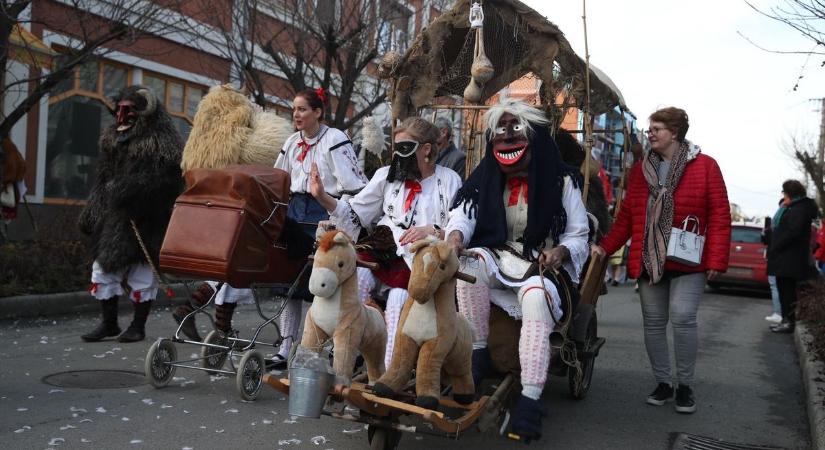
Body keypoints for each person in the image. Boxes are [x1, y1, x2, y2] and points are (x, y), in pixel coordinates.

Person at [446, 99, 589, 440]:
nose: (508, 140)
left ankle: (530, 398)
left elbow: (579, 232)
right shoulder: (485, 178)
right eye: (501, 133)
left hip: (539, 265)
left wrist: (562, 251)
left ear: (534, 139)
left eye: (516, 131)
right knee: (470, 259)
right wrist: (454, 236)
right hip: (497, 257)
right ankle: (478, 353)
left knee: (538, 299)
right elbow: (463, 214)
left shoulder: (562, 182)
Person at [592, 106, 730, 414]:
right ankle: (664, 382)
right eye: (649, 128)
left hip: (688, 260)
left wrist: (717, 261)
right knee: (653, 324)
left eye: (657, 129)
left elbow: (719, 214)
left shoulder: (706, 166)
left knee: (682, 318)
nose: (650, 133)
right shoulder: (641, 169)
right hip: (649, 259)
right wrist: (605, 246)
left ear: (675, 133)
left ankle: (685, 386)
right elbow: (629, 215)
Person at [309, 116, 462, 369]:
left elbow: (459, 226)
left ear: (426, 150)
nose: (397, 156)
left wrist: (433, 230)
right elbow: (356, 211)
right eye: (396, 148)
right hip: (384, 247)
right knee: (355, 283)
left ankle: (390, 368)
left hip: (420, 259)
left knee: (399, 299)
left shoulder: (449, 181)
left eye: (404, 148)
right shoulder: (386, 176)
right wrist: (322, 197)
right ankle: (348, 354)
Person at [270, 87, 369, 368]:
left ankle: (318, 350)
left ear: (317, 112)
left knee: (321, 288)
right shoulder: (291, 142)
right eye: (294, 109)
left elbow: (354, 186)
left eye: (302, 109)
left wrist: (338, 215)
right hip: (293, 214)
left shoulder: (335, 139)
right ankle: (284, 348)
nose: (296, 114)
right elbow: (279, 179)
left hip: (324, 213)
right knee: (289, 286)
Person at [78, 86, 183, 343]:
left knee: (142, 273)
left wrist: (131, 191)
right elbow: (103, 180)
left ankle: (138, 325)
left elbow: (166, 183)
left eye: (130, 110)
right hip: (114, 220)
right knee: (102, 269)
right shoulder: (113, 141)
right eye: (120, 110)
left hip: (147, 219)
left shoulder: (162, 144)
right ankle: (109, 323)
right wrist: (93, 211)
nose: (122, 117)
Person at [765, 179, 819, 333]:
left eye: (784, 192)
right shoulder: (793, 208)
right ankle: (785, 320)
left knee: (787, 292)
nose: (783, 195)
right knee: (783, 289)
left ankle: (788, 322)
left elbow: (792, 232)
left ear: (790, 193)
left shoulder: (799, 209)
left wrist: (777, 244)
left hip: (790, 258)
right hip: (785, 257)